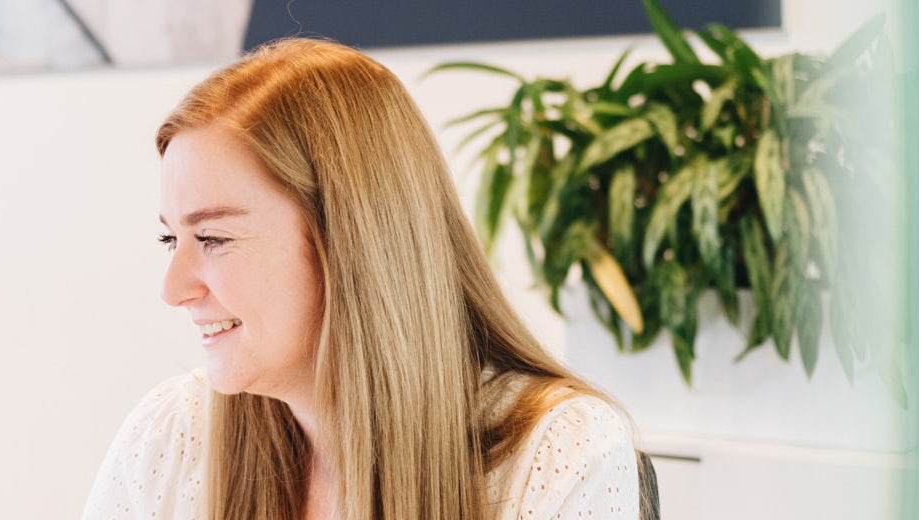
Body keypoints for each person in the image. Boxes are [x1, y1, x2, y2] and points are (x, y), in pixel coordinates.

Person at [81, 38, 642, 520]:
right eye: (171, 239)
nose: (173, 289)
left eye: (212, 239)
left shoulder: (561, 453)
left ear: (347, 241)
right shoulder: (174, 433)